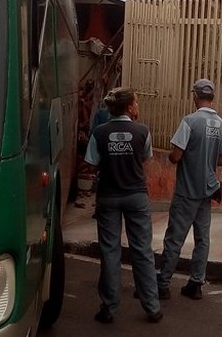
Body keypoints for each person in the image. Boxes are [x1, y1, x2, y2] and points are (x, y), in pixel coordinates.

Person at [84, 87, 163, 324]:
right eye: (136, 102)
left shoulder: (100, 132)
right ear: (129, 107)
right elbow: (144, 159)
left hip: (108, 196)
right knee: (142, 251)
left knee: (110, 252)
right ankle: (152, 307)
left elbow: (91, 163)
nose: (138, 106)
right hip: (136, 196)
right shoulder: (142, 131)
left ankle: (109, 309)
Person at [157, 78, 222, 300]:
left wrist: (184, 155)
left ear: (195, 96)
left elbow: (175, 156)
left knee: (175, 238)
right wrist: (207, 157)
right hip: (207, 191)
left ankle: (163, 284)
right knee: (202, 239)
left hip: (186, 190)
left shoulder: (189, 122)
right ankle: (196, 283)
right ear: (212, 97)